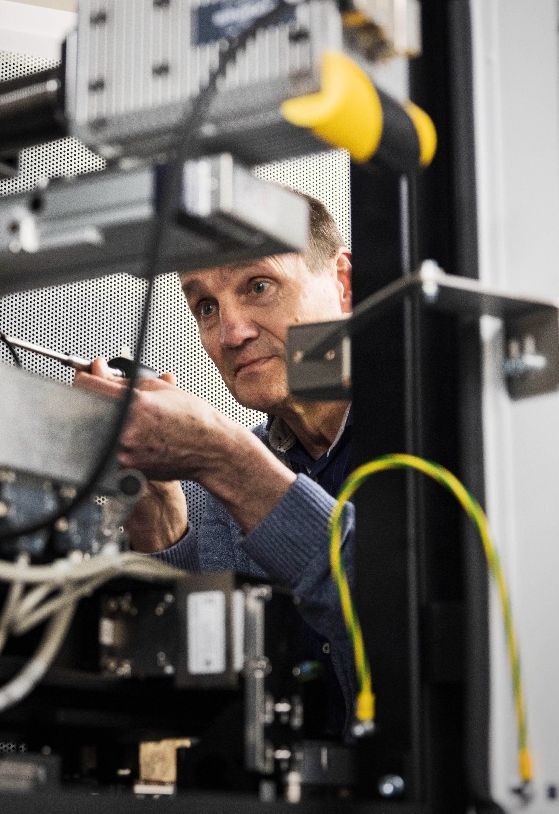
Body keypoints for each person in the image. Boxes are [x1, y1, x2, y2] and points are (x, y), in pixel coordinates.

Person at [72, 190, 356, 727]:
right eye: (206, 306)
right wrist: (159, 514)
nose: (231, 333)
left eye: (259, 286)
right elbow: (195, 700)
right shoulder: (213, 497)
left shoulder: (432, 437)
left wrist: (227, 460)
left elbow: (394, 620)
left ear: (343, 283)